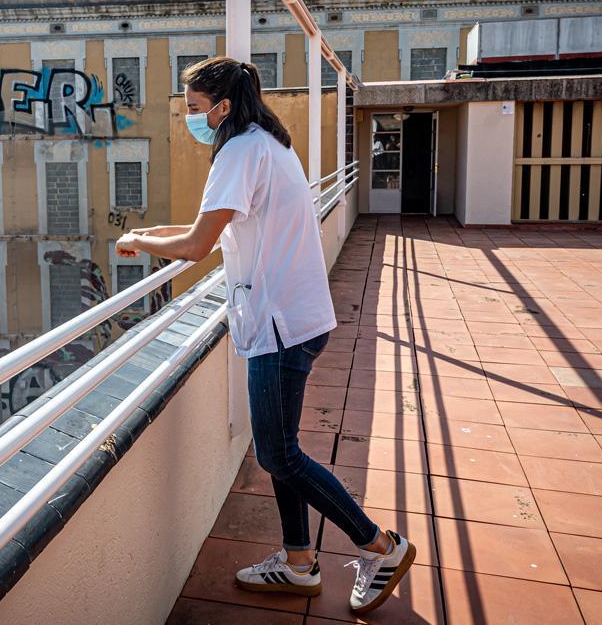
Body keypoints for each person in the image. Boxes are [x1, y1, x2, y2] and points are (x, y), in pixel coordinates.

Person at [115, 56, 414, 614]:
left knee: (280, 455)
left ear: (223, 106)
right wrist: (152, 233)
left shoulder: (238, 151)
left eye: (196, 109)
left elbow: (197, 248)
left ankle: (380, 546)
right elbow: (217, 226)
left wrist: (143, 241)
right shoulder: (267, 145)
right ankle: (299, 562)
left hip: (279, 327)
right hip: (296, 319)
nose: (192, 119)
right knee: (283, 449)